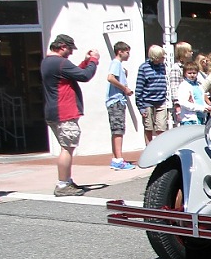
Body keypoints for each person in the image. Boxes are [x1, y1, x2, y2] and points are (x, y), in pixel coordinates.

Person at [40, 34, 100, 197]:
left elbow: (74, 72)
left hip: (54, 111)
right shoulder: (59, 63)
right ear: (62, 47)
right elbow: (85, 76)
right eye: (70, 49)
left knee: (66, 147)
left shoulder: (48, 62)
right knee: (67, 148)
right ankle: (63, 184)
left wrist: (86, 61)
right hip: (64, 112)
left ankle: (66, 180)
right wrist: (94, 60)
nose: (71, 53)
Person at [105, 41, 135, 171]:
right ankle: (118, 159)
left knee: (117, 129)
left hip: (117, 101)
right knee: (118, 130)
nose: (129, 54)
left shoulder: (119, 66)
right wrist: (125, 89)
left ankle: (116, 157)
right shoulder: (116, 63)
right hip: (116, 101)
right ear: (120, 52)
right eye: (127, 52)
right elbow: (110, 78)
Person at [135, 45, 169, 143]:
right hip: (147, 102)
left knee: (161, 127)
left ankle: (160, 148)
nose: (164, 59)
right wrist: (140, 107)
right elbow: (139, 88)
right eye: (162, 57)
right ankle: (148, 148)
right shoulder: (144, 68)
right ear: (155, 57)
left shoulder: (163, 66)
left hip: (161, 101)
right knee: (148, 127)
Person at [169, 41, 194, 127]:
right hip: (182, 105)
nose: (192, 53)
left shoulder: (189, 67)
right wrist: (177, 106)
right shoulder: (176, 68)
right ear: (183, 53)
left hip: (190, 103)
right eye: (189, 51)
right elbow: (174, 87)